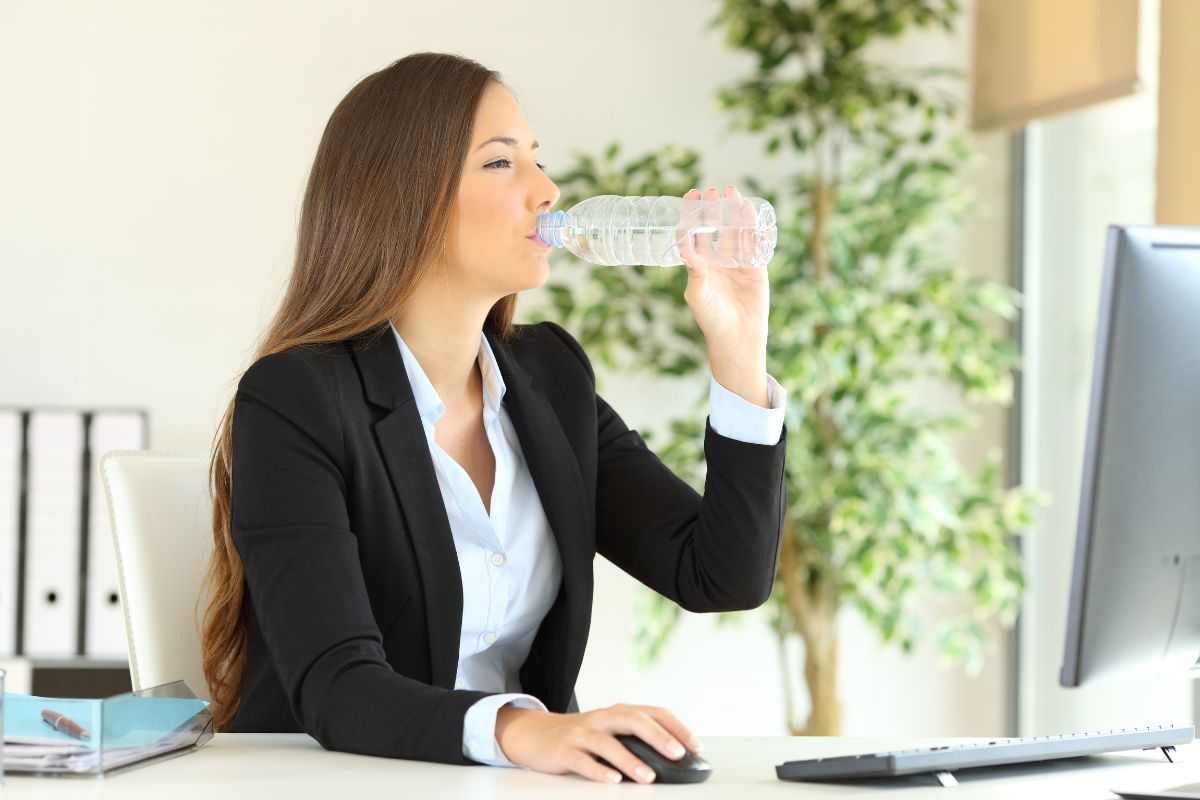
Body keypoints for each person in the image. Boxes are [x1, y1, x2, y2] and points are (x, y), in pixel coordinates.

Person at [199, 51, 789, 786]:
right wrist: (523, 730)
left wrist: (738, 347)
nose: (547, 190)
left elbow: (720, 576)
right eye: (501, 163)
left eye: (537, 160)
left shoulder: (551, 378)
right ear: (406, 198)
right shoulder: (297, 398)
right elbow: (337, 686)